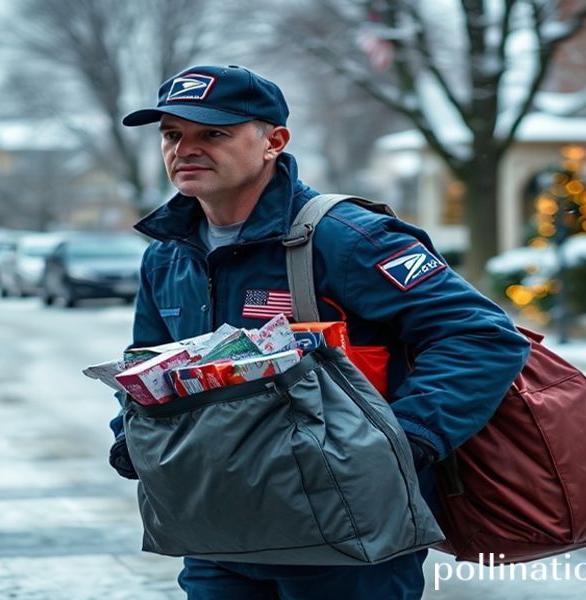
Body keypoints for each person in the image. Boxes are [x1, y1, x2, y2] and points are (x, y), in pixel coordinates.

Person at [110, 64, 531, 599]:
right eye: (172, 134)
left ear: (273, 142)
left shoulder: (346, 238)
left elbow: (481, 336)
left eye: (212, 133)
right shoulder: (167, 256)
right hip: (215, 528)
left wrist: (409, 440)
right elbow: (146, 361)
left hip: (345, 534)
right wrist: (130, 436)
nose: (185, 148)